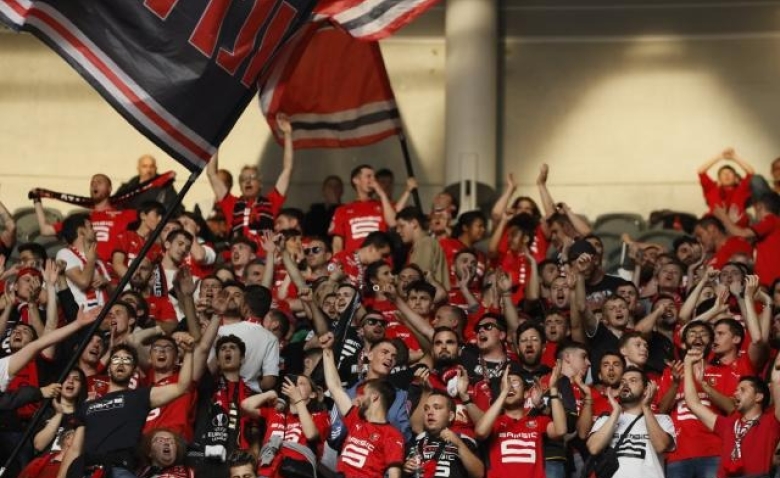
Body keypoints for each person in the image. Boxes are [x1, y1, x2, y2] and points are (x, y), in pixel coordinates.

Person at [56, 337, 195, 478]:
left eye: (127, 360)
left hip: (119, 470)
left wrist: (189, 353)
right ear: (109, 367)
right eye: (116, 359)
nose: (121, 363)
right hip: (84, 471)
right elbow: (74, 449)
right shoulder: (87, 405)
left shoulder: (140, 396)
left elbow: (181, 387)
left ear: (134, 370)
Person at [684, 348, 780, 478]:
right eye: (736, 390)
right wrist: (687, 365)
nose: (735, 393)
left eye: (743, 390)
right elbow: (693, 404)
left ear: (758, 397)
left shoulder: (771, 422)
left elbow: (777, 382)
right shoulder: (728, 424)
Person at [321, 332, 405, 478]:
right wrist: (327, 351)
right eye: (385, 352)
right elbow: (335, 387)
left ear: (374, 397)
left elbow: (394, 474)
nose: (358, 398)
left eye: (363, 394)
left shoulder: (392, 434)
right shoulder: (356, 420)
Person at [206, 115, 294, 246]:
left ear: (260, 184)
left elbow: (287, 169)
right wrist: (216, 140)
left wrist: (287, 134)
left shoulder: (271, 202)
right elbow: (212, 173)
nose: (247, 182)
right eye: (243, 179)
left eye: (252, 178)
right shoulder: (231, 203)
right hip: (238, 255)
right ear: (240, 186)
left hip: (263, 259)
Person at [474, 363, 567, 478]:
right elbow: (480, 432)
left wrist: (553, 389)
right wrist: (504, 393)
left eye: (515, 383)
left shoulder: (538, 421)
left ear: (526, 393)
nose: (510, 387)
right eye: (506, 384)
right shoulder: (494, 422)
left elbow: (561, 430)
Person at [586, 367, 675, 478]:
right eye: (622, 382)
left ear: (646, 390)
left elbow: (661, 446)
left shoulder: (662, 420)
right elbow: (593, 448)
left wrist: (646, 407)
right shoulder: (605, 419)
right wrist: (616, 411)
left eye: (632, 380)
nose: (625, 384)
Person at [403, 392, 483, 478]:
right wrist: (406, 468)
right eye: (426, 409)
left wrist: (459, 445)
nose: (429, 412)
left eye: (437, 408)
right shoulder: (417, 440)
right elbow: (403, 471)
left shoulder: (465, 441)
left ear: (451, 416)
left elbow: (479, 474)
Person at [329, 165, 397, 254]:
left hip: (381, 263)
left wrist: (381, 193)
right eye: (368, 176)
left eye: (374, 177)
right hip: (354, 263)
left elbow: (393, 223)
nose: (373, 180)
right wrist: (338, 264)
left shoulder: (384, 205)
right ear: (356, 180)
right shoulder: (342, 210)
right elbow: (337, 244)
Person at [114, 154, 179, 213]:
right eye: (144, 166)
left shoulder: (166, 187)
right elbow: (114, 205)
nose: (148, 170)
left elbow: (176, 208)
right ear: (138, 168)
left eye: (152, 166)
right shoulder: (127, 188)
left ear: (156, 168)